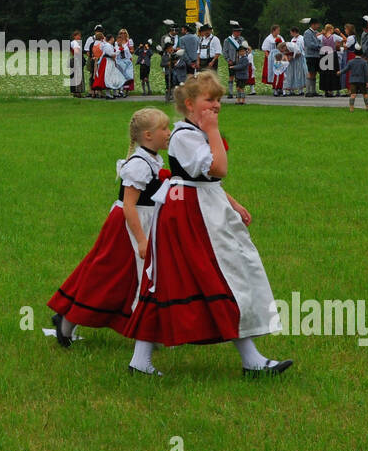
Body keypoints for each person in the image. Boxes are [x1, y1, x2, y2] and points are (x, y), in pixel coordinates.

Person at [121, 72, 292, 378]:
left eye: (218, 100)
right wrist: (213, 132)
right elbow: (218, 168)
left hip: (203, 209)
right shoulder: (185, 136)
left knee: (219, 277)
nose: (216, 106)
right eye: (209, 100)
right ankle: (142, 360)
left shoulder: (193, 133)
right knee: (217, 277)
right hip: (188, 217)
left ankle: (250, 359)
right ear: (190, 104)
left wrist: (233, 203)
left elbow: (206, 180)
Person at [49, 108, 171, 346]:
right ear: (148, 135)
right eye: (164, 129)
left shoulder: (154, 159)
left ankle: (147, 331)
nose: (169, 132)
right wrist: (141, 239)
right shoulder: (139, 165)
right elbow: (129, 206)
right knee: (106, 276)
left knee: (137, 277)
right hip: (127, 226)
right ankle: (68, 321)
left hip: (142, 222)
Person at [344, 43, 368, 110]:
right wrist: (367, 81)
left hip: (353, 80)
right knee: (365, 94)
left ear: (354, 53)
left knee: (353, 94)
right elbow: (366, 73)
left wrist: (339, 72)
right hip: (362, 80)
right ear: (361, 53)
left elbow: (346, 69)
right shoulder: (364, 62)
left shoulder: (351, 61)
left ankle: (351, 108)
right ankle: (367, 107)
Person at [319, 24, 342, 96]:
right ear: (330, 29)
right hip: (332, 54)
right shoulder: (334, 36)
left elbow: (314, 37)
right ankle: (331, 90)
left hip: (323, 54)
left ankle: (325, 89)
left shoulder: (321, 37)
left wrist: (320, 33)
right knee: (332, 73)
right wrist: (340, 33)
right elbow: (344, 39)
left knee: (325, 73)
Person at [301, 17, 323, 97]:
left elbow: (320, 41)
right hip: (310, 55)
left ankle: (313, 91)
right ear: (313, 24)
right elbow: (309, 44)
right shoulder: (307, 33)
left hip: (316, 55)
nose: (318, 26)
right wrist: (319, 46)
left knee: (314, 72)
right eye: (317, 24)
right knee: (310, 72)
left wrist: (320, 45)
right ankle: (308, 91)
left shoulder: (316, 32)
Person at [283, 26, 307, 96]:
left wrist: (298, 54)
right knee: (292, 74)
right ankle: (292, 89)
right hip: (293, 59)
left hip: (299, 58)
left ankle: (300, 90)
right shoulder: (293, 39)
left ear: (294, 32)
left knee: (299, 74)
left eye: (291, 32)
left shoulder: (301, 38)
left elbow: (303, 48)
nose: (291, 34)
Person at [224, 21, 244, 97]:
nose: (239, 33)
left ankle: (239, 92)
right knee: (231, 76)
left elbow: (244, 49)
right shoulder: (227, 40)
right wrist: (228, 60)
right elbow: (225, 51)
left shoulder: (242, 39)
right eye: (238, 31)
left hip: (240, 61)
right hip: (231, 61)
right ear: (234, 32)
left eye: (240, 32)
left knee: (239, 77)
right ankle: (230, 92)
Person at [68, 30, 85, 97]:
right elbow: (76, 51)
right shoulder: (75, 43)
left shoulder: (73, 42)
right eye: (78, 36)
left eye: (80, 36)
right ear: (74, 36)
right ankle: (78, 92)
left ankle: (75, 92)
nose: (79, 37)